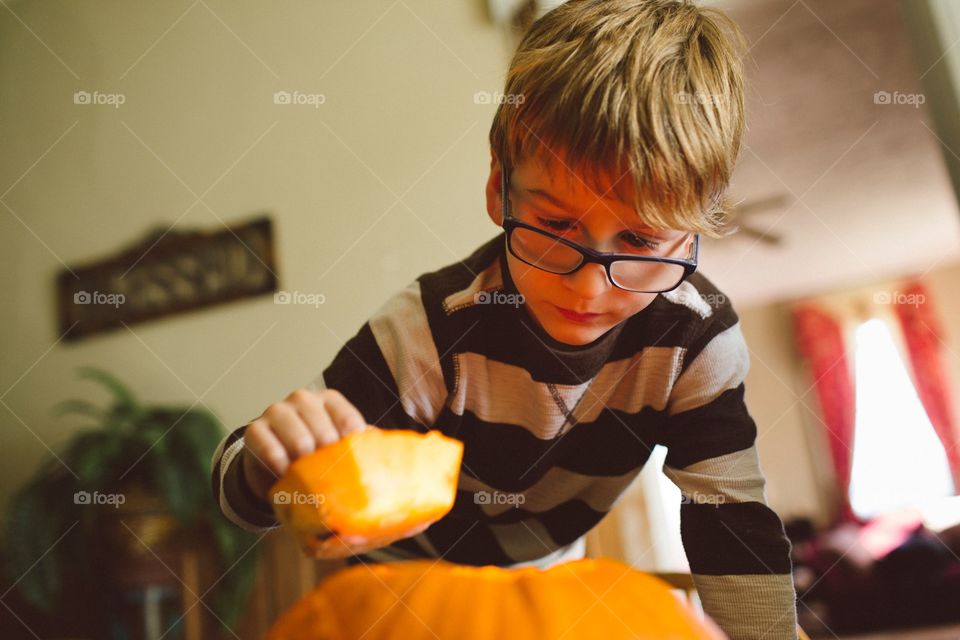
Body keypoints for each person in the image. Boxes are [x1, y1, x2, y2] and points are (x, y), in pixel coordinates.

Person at [211, 1, 799, 637]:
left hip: (541, 589)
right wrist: (272, 462)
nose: (588, 283)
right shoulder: (429, 331)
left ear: (689, 238)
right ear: (500, 190)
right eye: (553, 226)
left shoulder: (696, 341)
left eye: (639, 240)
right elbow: (245, 497)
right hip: (397, 598)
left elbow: (730, 521)